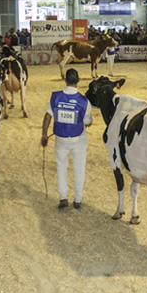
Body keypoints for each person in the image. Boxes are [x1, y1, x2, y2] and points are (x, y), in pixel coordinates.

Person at [40, 69, 92, 210]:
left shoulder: (55, 97)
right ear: (78, 80)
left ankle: (63, 197)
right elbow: (87, 122)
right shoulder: (84, 101)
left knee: (61, 167)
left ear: (65, 80)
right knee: (79, 169)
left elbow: (47, 116)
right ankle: (77, 199)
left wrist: (44, 134)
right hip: (78, 138)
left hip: (61, 138)